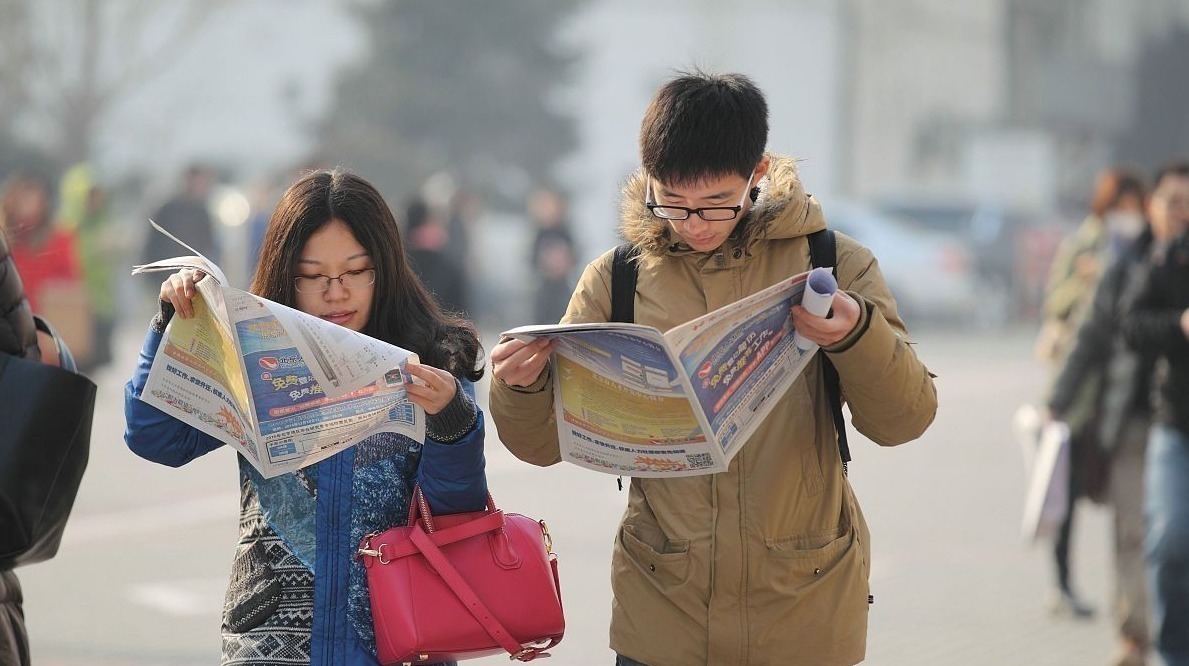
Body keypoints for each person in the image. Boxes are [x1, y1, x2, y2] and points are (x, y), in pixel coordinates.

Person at [488, 71, 938, 665]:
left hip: (803, 604)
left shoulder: (833, 262)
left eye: (715, 203)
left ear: (757, 174)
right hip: (663, 609)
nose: (693, 222)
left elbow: (904, 419)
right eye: (671, 201)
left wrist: (855, 335)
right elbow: (541, 447)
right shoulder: (615, 279)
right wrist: (520, 387)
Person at [123, 170, 490, 665]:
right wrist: (175, 328)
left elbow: (456, 512)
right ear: (285, 273)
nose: (335, 292)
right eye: (314, 276)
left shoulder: (428, 362)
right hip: (268, 643)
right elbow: (156, 438)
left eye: (356, 271)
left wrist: (452, 424)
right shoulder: (253, 354)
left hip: (392, 643)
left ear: (385, 267)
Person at [1046, 172, 1160, 665]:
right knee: (1127, 527)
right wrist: (1058, 399)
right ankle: (1133, 633)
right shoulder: (1101, 253)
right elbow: (1085, 328)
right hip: (1116, 412)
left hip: (1161, 414)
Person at [1121, 161, 1189, 666]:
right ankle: (1165, 651)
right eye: (1173, 202)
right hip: (1168, 423)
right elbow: (1125, 326)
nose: (1181, 214)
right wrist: (1180, 324)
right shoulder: (1157, 261)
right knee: (1165, 537)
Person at [140, 164, 220, 269]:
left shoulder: (202, 213)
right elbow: (153, 244)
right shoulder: (168, 210)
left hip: (194, 272)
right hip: (169, 272)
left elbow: (209, 245)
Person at [526, 185, 578, 324]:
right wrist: (545, 264)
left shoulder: (565, 231)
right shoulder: (540, 233)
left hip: (562, 286)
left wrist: (563, 263)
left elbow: (575, 257)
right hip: (545, 286)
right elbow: (532, 260)